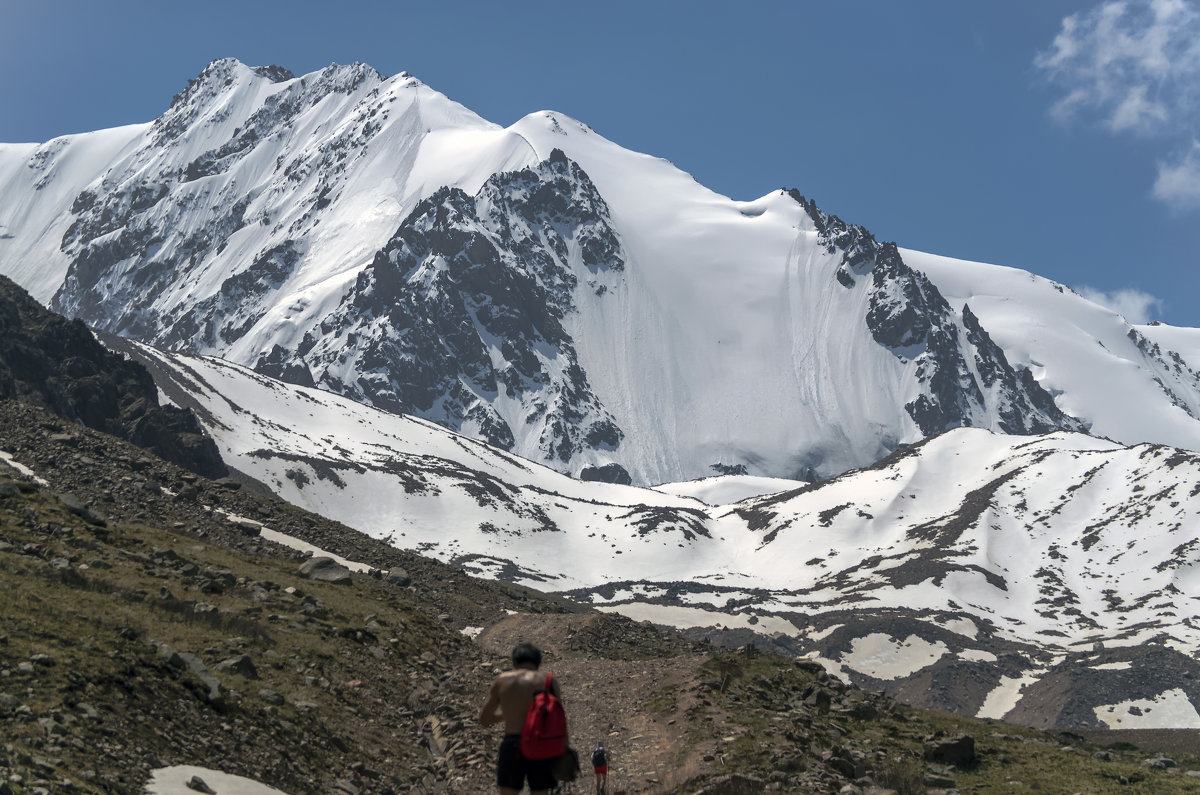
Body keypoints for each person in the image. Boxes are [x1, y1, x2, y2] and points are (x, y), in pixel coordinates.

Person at [480, 643, 563, 795]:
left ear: (515, 662)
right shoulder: (549, 681)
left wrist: (508, 714)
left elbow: (484, 720)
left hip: (512, 743)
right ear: (537, 662)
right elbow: (558, 719)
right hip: (541, 744)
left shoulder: (502, 681)